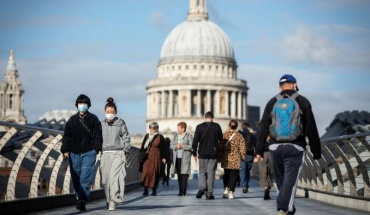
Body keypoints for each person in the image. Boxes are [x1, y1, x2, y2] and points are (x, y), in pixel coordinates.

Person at [254, 74, 321, 215]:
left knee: (280, 180)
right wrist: (316, 151)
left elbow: (263, 127)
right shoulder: (302, 101)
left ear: (280, 87)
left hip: (274, 147)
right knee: (290, 181)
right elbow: (311, 127)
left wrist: (259, 150)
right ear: (295, 85)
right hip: (295, 146)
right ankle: (283, 208)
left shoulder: (272, 102)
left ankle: (288, 207)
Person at [61, 94, 103, 211]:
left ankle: (82, 201)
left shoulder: (94, 119)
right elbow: (67, 137)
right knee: (76, 178)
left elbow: (98, 136)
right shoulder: (72, 120)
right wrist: (65, 150)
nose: (82, 106)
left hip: (89, 152)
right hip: (74, 153)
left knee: (86, 177)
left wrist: (95, 149)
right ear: (77, 105)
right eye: (80, 104)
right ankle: (80, 197)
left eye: (84, 104)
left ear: (88, 105)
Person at [100, 97, 131, 211]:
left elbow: (126, 136)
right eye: (108, 112)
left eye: (112, 112)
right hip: (105, 154)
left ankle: (113, 202)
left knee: (114, 178)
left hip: (117, 153)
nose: (110, 114)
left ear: (115, 112)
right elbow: (97, 139)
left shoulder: (120, 123)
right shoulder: (101, 124)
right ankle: (109, 200)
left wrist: (126, 150)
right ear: (105, 112)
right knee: (105, 181)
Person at [192, 111, 223, 200]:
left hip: (202, 153)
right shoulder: (217, 126)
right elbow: (221, 140)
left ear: (205, 118)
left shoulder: (199, 127)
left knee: (202, 172)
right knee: (211, 173)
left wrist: (194, 153)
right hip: (213, 153)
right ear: (212, 118)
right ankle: (209, 193)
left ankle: (202, 188)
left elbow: (195, 141)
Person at [139, 122, 167, 196]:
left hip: (156, 157)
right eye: (150, 128)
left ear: (156, 129)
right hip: (147, 157)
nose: (151, 130)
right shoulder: (147, 136)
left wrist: (164, 157)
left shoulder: (160, 137)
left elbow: (164, 148)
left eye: (153, 129)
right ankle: (145, 189)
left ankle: (154, 189)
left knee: (154, 173)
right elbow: (142, 146)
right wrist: (140, 156)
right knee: (145, 172)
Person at [220, 120, 246, 199]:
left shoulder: (224, 134)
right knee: (234, 176)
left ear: (229, 126)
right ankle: (231, 192)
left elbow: (221, 146)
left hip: (226, 158)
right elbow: (242, 148)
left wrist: (219, 157)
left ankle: (226, 189)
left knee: (226, 175)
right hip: (235, 159)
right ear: (237, 126)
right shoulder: (239, 136)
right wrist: (243, 157)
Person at [171, 122, 193, 196]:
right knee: (179, 175)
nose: (177, 129)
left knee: (184, 175)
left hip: (185, 158)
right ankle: (180, 190)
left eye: (179, 128)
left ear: (183, 129)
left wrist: (183, 146)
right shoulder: (175, 136)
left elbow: (191, 146)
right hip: (177, 157)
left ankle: (184, 190)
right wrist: (176, 146)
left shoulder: (189, 136)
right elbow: (171, 145)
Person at [239, 122, 256, 193]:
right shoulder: (252, 135)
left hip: (241, 155)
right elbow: (256, 145)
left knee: (242, 171)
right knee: (247, 171)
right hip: (250, 154)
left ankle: (244, 185)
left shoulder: (239, 135)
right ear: (248, 128)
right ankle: (245, 185)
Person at [257, 134, 273, 200]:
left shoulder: (261, 132)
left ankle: (266, 188)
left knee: (263, 171)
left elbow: (258, 144)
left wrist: (257, 154)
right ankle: (267, 188)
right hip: (273, 153)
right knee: (270, 172)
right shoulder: (275, 131)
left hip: (263, 153)